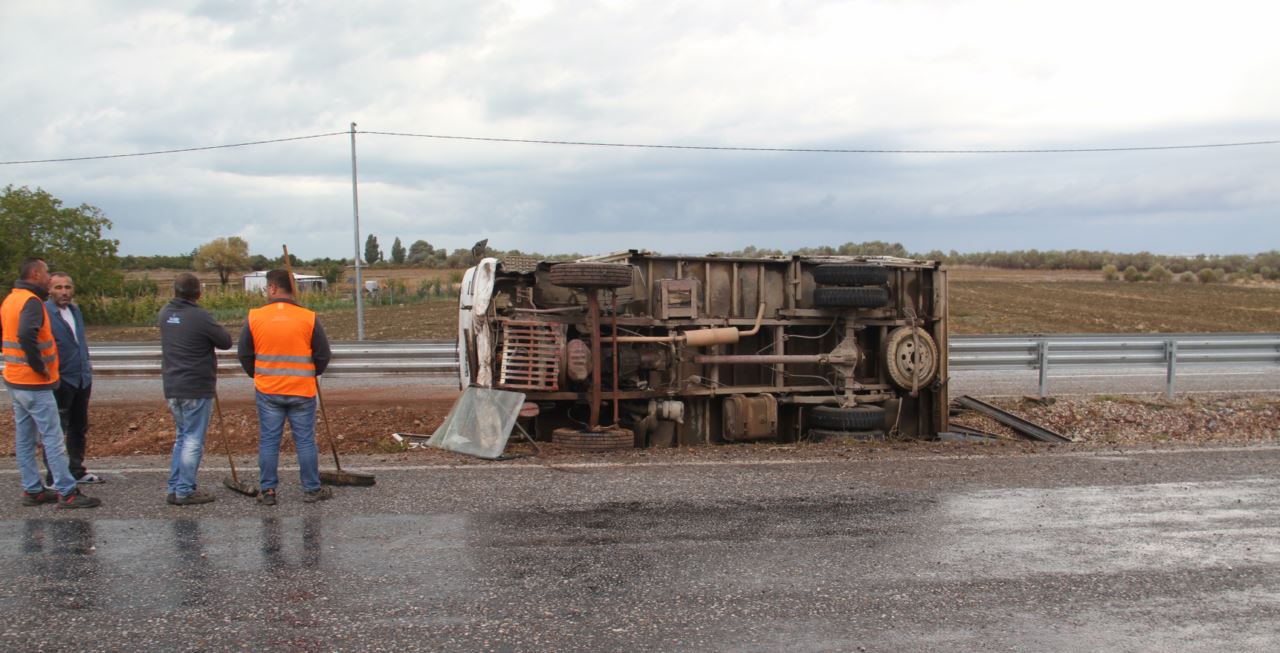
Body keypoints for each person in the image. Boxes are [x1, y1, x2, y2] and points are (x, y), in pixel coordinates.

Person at [2, 258, 101, 508]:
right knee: (53, 437)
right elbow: (26, 335)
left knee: (25, 439)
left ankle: (33, 489)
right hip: (34, 382)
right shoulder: (32, 302)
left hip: (15, 379)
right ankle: (67, 492)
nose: (49, 278)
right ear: (35, 274)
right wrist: (40, 367)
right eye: (47, 273)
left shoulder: (11, 299)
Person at [237, 269, 333, 506]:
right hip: (302, 389)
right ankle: (311, 489)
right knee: (305, 441)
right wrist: (312, 373)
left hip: (268, 390)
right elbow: (323, 354)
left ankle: (268, 491)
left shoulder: (255, 317)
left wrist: (258, 375)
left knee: (269, 441)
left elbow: (244, 353)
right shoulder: (308, 317)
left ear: (272, 288)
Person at [159, 272, 232, 505]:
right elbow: (225, 341)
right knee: (193, 440)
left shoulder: (165, 314)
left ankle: (175, 486)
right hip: (195, 386)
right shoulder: (200, 316)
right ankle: (184, 490)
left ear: (175, 291)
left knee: (182, 437)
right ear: (198, 293)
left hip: (172, 385)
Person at [43, 271, 102, 486]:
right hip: (60, 379)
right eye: (58, 287)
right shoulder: (45, 313)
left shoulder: (75, 312)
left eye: (67, 287)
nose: (64, 292)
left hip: (81, 377)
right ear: (49, 289)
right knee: (57, 429)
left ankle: (76, 469)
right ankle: (54, 476)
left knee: (79, 426)